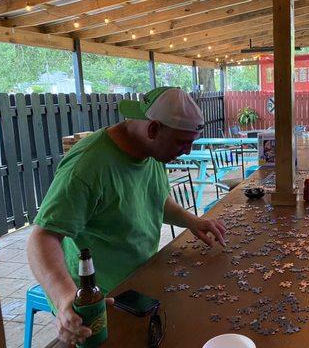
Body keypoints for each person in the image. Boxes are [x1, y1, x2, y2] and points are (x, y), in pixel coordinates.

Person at [27, 87, 227, 346]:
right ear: (153, 129)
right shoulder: (88, 166)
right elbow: (42, 238)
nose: (187, 151)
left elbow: (156, 198)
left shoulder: (152, 151)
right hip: (99, 306)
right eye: (181, 142)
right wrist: (64, 297)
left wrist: (192, 221)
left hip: (141, 284)